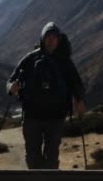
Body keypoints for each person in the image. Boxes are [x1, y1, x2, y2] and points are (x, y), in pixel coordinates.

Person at [7, 22, 86, 170]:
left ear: (58, 40)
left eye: (54, 37)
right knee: (32, 157)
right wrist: (12, 87)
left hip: (56, 117)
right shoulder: (30, 59)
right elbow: (11, 80)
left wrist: (79, 100)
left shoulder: (65, 62)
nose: (51, 40)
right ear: (42, 39)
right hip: (32, 116)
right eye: (48, 36)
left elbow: (76, 83)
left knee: (51, 158)